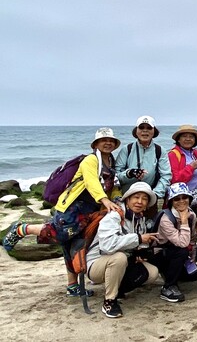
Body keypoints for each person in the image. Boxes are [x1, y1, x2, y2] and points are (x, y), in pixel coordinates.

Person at [3, 127, 122, 297]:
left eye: (111, 140)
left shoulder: (111, 162)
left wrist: (116, 199)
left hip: (90, 210)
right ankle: (22, 228)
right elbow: (91, 182)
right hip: (73, 207)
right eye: (104, 140)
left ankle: (72, 286)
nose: (108, 143)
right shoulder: (90, 160)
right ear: (95, 144)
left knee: (73, 245)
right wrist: (105, 200)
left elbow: (114, 186)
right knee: (59, 235)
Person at [86, 182, 160, 318]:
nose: (140, 202)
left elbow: (134, 242)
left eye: (144, 199)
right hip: (96, 262)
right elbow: (107, 245)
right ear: (127, 199)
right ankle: (109, 301)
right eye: (136, 197)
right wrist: (138, 238)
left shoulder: (140, 219)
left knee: (152, 272)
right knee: (119, 258)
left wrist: (140, 251)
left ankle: (118, 289)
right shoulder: (114, 215)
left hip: (121, 259)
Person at [150, 182, 197, 303]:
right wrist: (184, 221)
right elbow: (182, 243)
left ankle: (171, 274)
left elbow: (192, 240)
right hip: (158, 253)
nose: (181, 201)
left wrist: (193, 259)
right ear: (171, 201)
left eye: (185, 197)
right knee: (181, 251)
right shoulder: (165, 218)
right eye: (177, 199)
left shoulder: (191, 215)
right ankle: (168, 286)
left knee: (194, 274)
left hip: (176, 251)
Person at [115, 116, 171, 216]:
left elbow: (166, 175)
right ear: (136, 131)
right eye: (141, 127)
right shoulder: (127, 149)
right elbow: (116, 176)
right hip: (127, 199)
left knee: (148, 224)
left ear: (154, 131)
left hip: (148, 201)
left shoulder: (160, 150)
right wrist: (129, 173)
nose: (145, 131)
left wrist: (154, 195)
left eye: (149, 128)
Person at [168, 125, 197, 210]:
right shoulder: (173, 154)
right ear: (178, 139)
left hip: (194, 197)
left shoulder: (194, 153)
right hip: (181, 199)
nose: (188, 139)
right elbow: (175, 179)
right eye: (184, 136)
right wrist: (190, 167)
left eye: (191, 137)